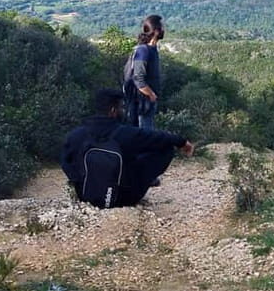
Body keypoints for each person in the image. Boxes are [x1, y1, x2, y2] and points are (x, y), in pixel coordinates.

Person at [61, 88, 194, 208]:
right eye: (121, 107)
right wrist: (182, 142)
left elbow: (65, 162)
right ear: (113, 110)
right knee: (166, 149)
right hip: (124, 198)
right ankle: (139, 185)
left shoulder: (75, 135)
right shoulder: (125, 133)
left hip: (86, 196)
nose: (123, 111)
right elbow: (159, 138)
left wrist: (79, 180)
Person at [127, 14, 164, 130]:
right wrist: (151, 94)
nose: (164, 30)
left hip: (146, 101)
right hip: (142, 103)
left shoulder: (151, 50)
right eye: (162, 27)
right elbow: (138, 78)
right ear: (156, 31)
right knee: (145, 135)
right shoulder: (143, 51)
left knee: (146, 135)